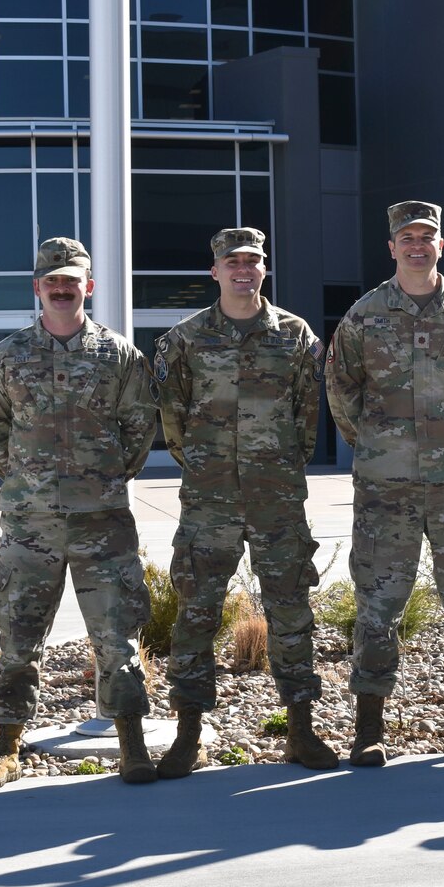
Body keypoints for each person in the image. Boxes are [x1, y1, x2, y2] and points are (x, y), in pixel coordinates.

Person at [0, 237, 159, 788]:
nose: (60, 286)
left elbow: (139, 427)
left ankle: (131, 742)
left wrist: (101, 478)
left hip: (103, 522)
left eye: (70, 279)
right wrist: (27, 482)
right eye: (51, 279)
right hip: (32, 525)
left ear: (87, 287)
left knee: (116, 635)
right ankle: (6, 748)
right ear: (37, 287)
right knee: (18, 634)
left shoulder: (119, 356)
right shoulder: (7, 357)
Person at [327, 201, 444, 766]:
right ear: (391, 247)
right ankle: (368, 728)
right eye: (407, 237)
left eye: (426, 236)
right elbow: (341, 391)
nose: (417, 245)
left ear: (441, 244)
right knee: (379, 602)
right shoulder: (364, 315)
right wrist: (384, 446)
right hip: (388, 486)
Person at [153, 227, 337, 778]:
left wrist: (278, 466)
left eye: (252, 261)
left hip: (277, 497)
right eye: (232, 261)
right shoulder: (183, 339)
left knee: (290, 610)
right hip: (209, 499)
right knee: (196, 612)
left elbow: (309, 416)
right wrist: (207, 468)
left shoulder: (295, 335)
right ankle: (188, 735)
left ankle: (301, 731)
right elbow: (173, 420)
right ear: (215, 271)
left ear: (264, 269)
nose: (242, 270)